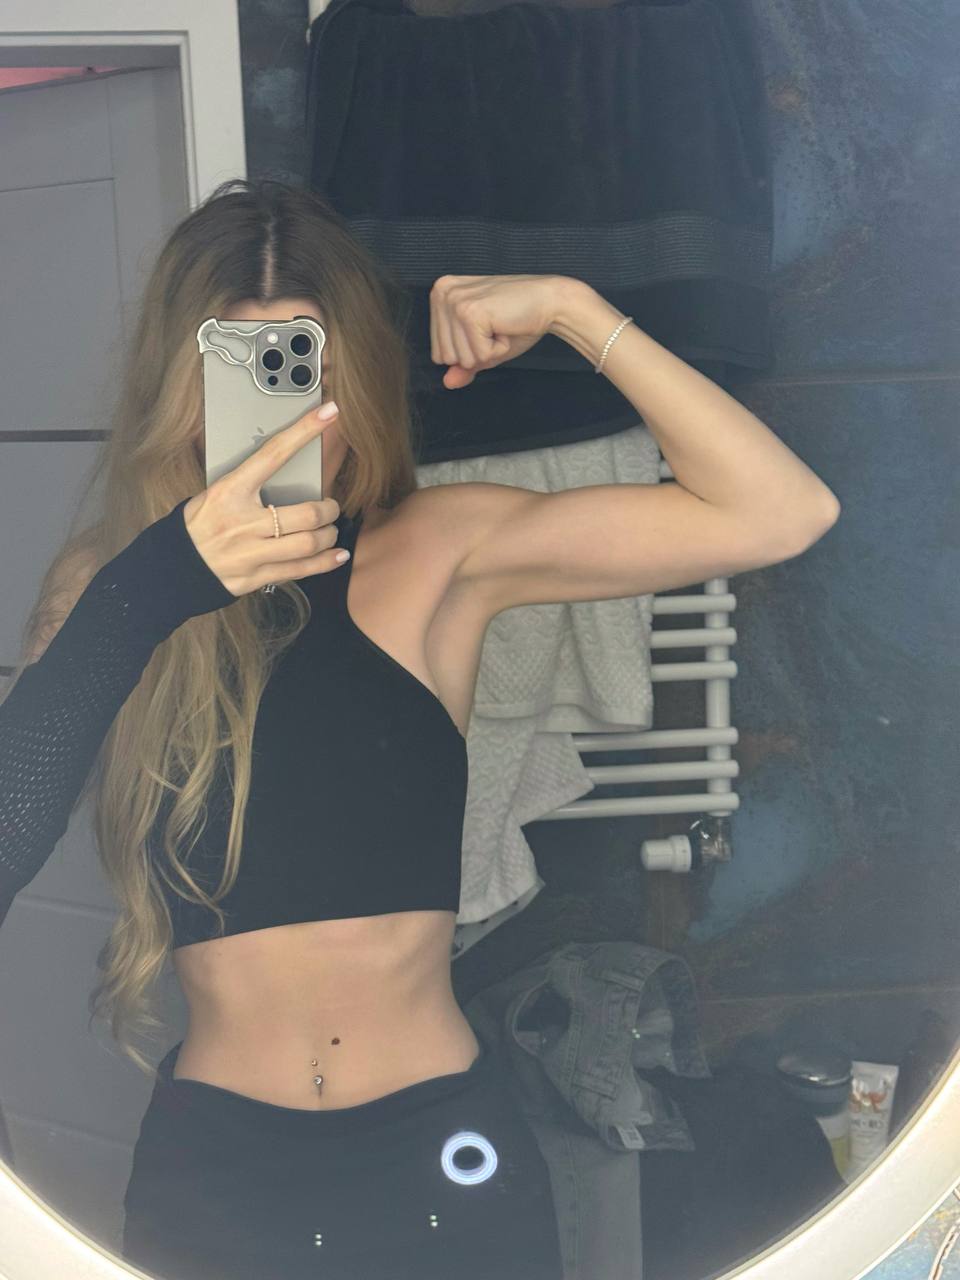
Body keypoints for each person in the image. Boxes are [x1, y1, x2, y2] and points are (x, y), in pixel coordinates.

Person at [0, 178, 840, 1280]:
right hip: (216, 1173)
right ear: (182, 385)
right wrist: (155, 583)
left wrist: (577, 311)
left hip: (441, 1153)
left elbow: (783, 510)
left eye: (306, 368)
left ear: (354, 378)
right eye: (244, 370)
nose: (283, 413)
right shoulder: (115, 590)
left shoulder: (439, 551)